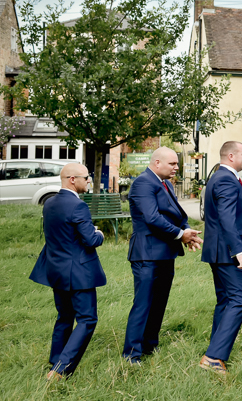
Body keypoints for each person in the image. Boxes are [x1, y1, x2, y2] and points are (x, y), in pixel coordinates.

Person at [122, 147, 203, 364]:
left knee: (159, 302)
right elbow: (152, 218)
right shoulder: (142, 183)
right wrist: (180, 234)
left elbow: (176, 214)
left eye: (176, 164)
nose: (177, 167)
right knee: (143, 303)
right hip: (146, 254)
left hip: (166, 253)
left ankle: (150, 345)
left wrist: (186, 230)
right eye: (173, 164)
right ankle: (131, 355)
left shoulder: (165, 183)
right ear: (157, 163)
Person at [29, 163, 106, 380]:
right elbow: (90, 240)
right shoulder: (77, 206)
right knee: (87, 319)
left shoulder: (50, 203)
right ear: (72, 179)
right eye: (86, 177)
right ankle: (61, 370)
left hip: (55, 269)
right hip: (79, 273)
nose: (89, 181)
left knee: (64, 317)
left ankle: (55, 361)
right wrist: (98, 233)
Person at [199, 141, 242, 374]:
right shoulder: (225, 179)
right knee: (240, 299)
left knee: (225, 300)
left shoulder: (219, 176)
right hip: (227, 252)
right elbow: (226, 218)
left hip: (218, 251)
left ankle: (214, 348)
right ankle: (213, 358)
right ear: (231, 156)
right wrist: (239, 251)